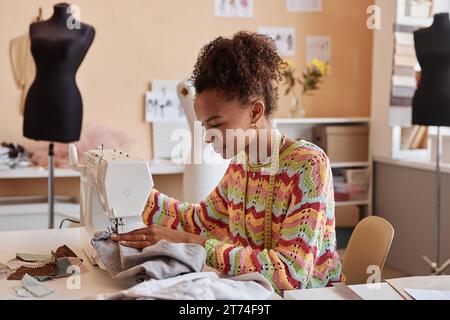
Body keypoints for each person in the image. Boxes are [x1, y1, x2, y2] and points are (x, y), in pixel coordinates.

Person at [112, 31, 343, 293]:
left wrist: (192, 242)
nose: (208, 137)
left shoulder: (308, 166)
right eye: (205, 126)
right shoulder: (241, 166)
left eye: (216, 124)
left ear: (255, 111)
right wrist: (135, 194)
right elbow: (200, 220)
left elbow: (290, 273)